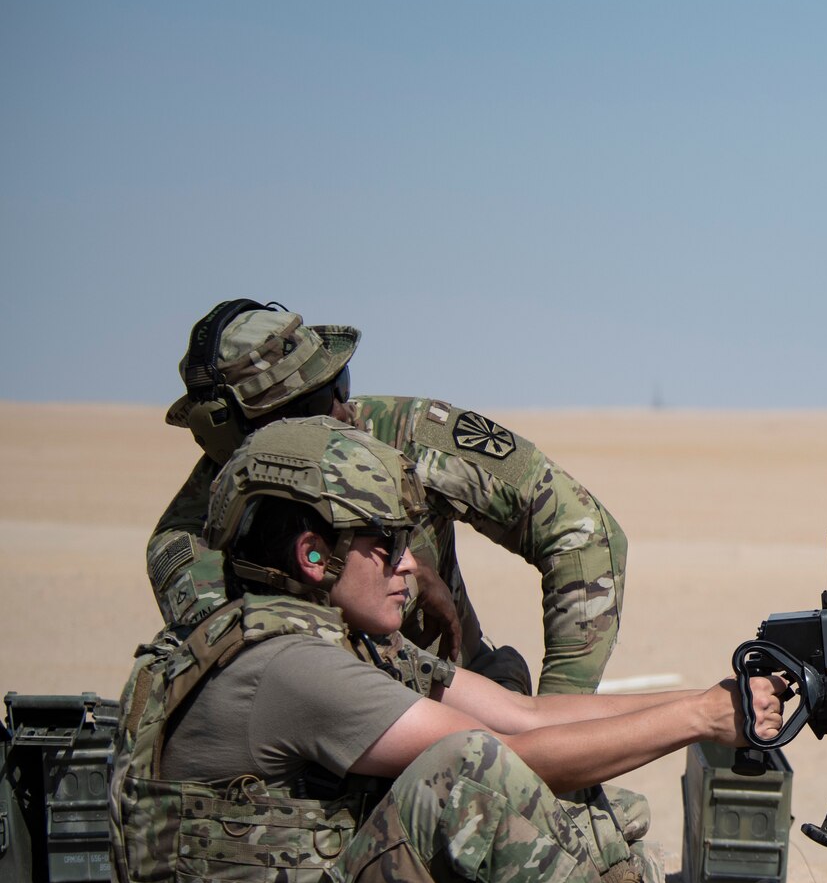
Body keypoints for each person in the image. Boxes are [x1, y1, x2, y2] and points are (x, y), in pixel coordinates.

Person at [110, 416, 782, 883]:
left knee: (577, 786)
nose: (409, 567)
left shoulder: (332, 639)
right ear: (314, 556)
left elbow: (527, 714)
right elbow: (504, 757)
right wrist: (699, 719)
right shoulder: (291, 669)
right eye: (386, 543)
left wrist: (712, 697)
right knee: (471, 774)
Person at [147, 298, 626, 695]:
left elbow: (581, 531)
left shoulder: (403, 435)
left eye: (340, 384)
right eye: (313, 406)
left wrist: (561, 711)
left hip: (466, 707)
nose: (342, 408)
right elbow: (276, 670)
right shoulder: (192, 549)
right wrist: (405, 588)